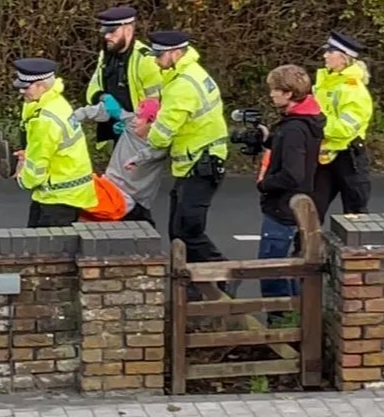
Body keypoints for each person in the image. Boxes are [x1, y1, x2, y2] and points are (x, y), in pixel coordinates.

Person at [127, 31, 229, 297]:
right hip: (196, 163)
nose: (156, 61)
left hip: (201, 164)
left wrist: (143, 145)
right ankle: (198, 288)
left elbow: (162, 133)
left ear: (176, 53)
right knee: (179, 231)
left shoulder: (183, 85)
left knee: (188, 231)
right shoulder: (187, 74)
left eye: (159, 55)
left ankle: (221, 276)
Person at [256, 65, 325, 311]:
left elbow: (293, 174)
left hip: (282, 208)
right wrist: (269, 140)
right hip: (291, 206)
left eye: (275, 89)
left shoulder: (294, 128)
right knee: (290, 269)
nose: (271, 94)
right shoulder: (303, 121)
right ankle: (296, 320)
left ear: (288, 93)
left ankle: (281, 324)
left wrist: (265, 184)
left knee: (272, 269)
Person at [12, 58, 98, 228]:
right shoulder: (56, 102)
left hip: (58, 197)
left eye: (26, 87)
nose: (21, 91)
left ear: (41, 86)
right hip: (68, 192)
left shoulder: (45, 119)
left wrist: (21, 176)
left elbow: (37, 165)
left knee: (47, 251)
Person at [74, 97, 169, 225]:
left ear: (152, 123)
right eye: (135, 116)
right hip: (108, 186)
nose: (135, 120)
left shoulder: (160, 146)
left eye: (140, 118)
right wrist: (72, 118)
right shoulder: (130, 123)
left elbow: (151, 153)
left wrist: (136, 160)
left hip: (129, 200)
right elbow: (103, 110)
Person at [312, 31, 374, 222]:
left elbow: (344, 129)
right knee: (310, 213)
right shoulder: (325, 83)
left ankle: (356, 253)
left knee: (355, 219)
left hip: (349, 158)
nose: (325, 55)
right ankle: (302, 252)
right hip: (324, 157)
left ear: (344, 57)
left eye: (330, 52)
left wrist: (315, 124)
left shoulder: (353, 89)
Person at [86, 6, 162, 146]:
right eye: (105, 32)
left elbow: (155, 102)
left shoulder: (145, 59)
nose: (107, 36)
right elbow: (93, 88)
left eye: (112, 32)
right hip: (116, 132)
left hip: (141, 136)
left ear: (128, 30)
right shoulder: (106, 56)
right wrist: (104, 98)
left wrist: (132, 124)